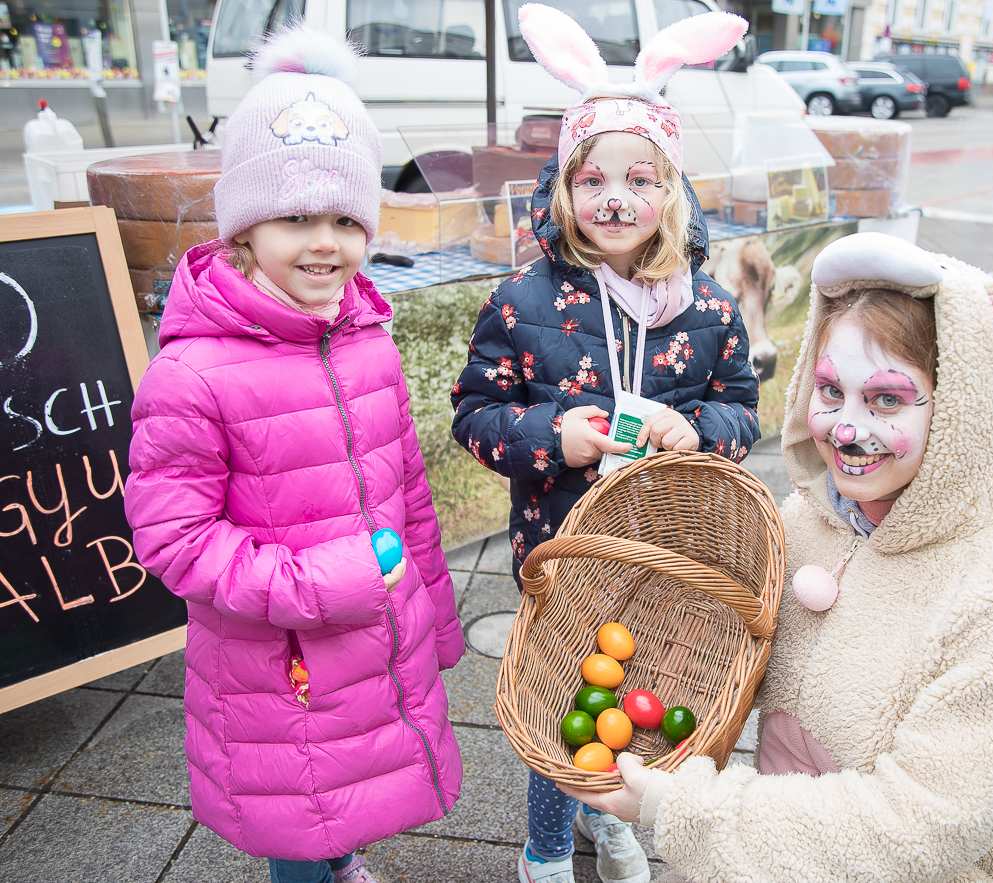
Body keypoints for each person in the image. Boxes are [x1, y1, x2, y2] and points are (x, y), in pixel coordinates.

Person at [565, 232, 993, 882]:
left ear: (967, 406)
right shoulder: (806, 522)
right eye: (830, 392)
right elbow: (718, 637)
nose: (847, 430)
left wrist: (686, 805)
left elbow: (919, 823)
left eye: (886, 398)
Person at [123, 27, 463, 883]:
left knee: (349, 792)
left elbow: (406, 490)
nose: (326, 243)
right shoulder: (194, 371)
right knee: (299, 810)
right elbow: (174, 536)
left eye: (347, 219)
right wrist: (315, 587)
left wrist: (434, 609)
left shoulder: (368, 340)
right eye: (296, 217)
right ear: (243, 229)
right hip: (280, 661)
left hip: (378, 629)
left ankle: (342, 864)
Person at [450, 6, 758, 882]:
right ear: (563, 190)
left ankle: (609, 817)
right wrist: (552, 435)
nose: (615, 197)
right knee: (562, 703)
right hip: (558, 546)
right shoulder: (524, 298)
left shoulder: (708, 310)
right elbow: (473, 414)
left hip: (663, 549)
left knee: (631, 698)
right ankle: (546, 845)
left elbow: (744, 410)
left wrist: (696, 429)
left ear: (672, 191)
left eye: (639, 177)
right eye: (592, 179)